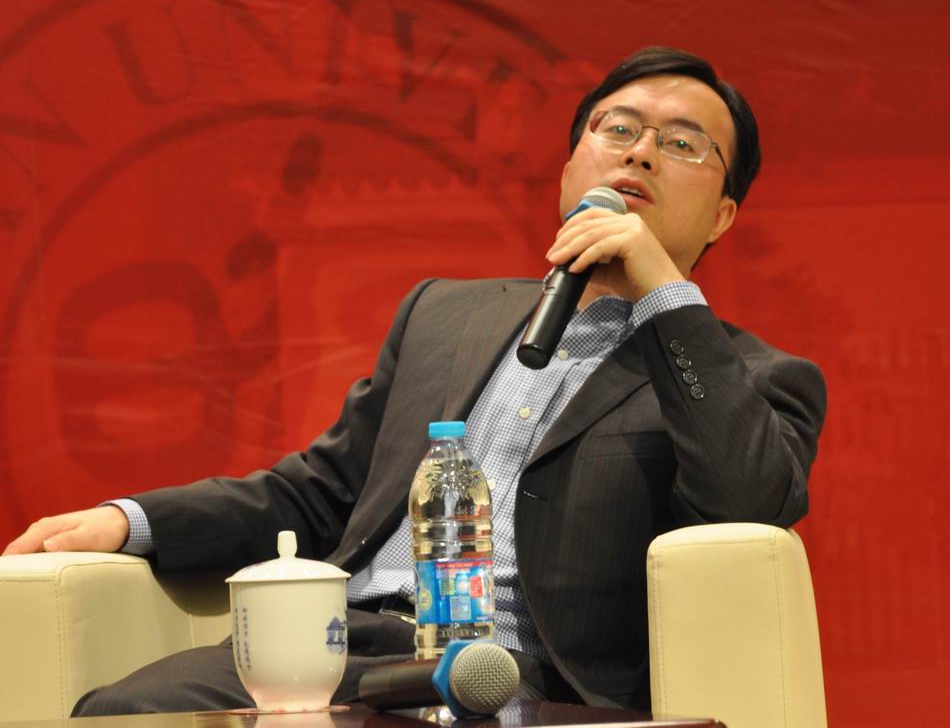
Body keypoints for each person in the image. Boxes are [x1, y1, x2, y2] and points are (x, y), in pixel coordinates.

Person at [3, 46, 826, 714]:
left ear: (722, 214)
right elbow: (321, 493)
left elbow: (748, 500)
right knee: (124, 711)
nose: (640, 151)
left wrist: (664, 296)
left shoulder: (753, 377)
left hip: (518, 680)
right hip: (337, 651)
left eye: (682, 144)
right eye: (618, 128)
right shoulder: (444, 315)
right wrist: (130, 521)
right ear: (571, 165)